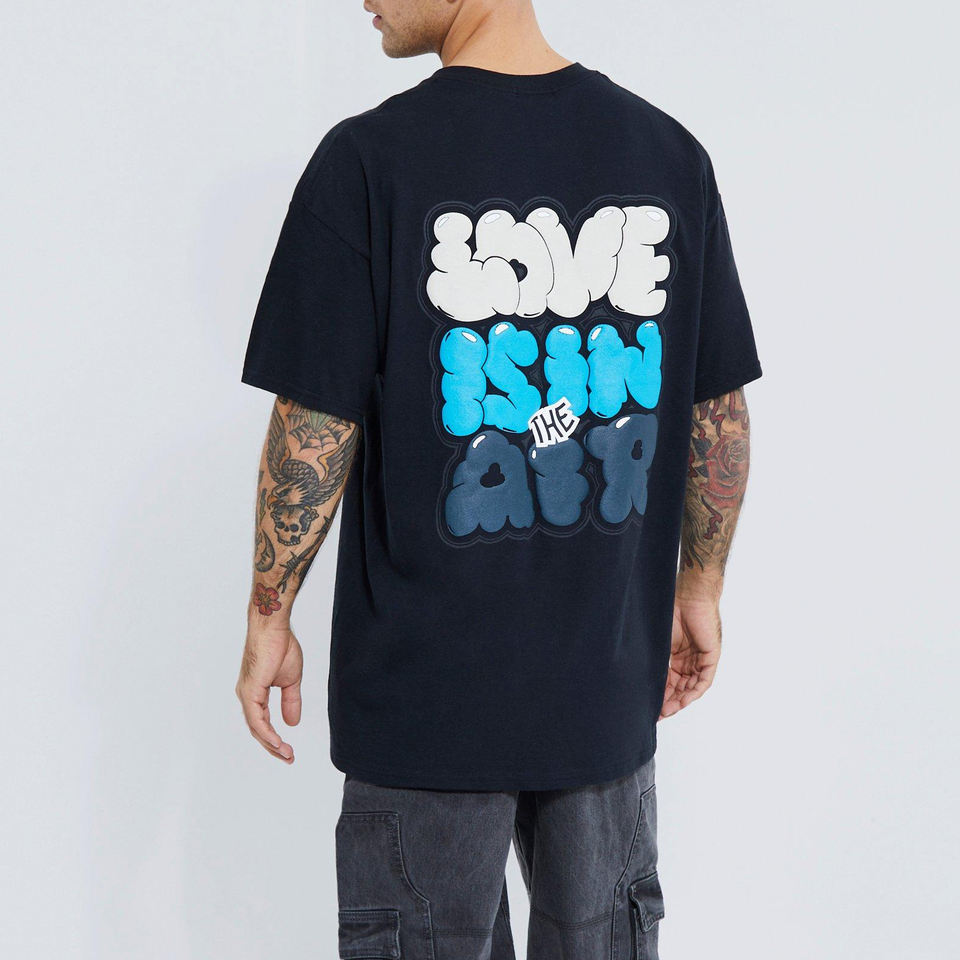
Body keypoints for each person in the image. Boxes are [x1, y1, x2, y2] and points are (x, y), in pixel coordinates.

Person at [236, 1, 761, 956]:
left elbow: (315, 426)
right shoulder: (667, 156)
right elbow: (714, 410)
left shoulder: (369, 161)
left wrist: (270, 613)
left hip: (425, 709)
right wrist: (701, 585)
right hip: (602, 690)